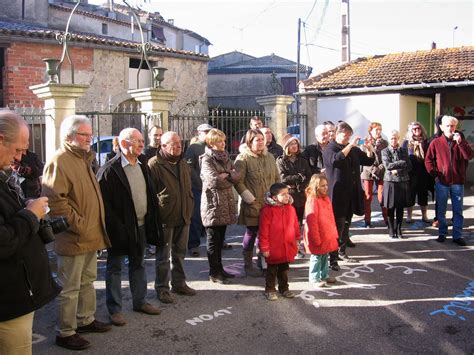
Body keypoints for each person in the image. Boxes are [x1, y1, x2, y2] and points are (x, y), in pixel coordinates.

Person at [42, 115, 112, 351]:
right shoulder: (60, 160)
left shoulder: (83, 158)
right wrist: (80, 225)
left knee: (88, 282)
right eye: (84, 134)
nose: (89, 138)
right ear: (69, 136)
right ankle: (66, 332)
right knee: (69, 288)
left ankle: (85, 320)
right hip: (74, 237)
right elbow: (55, 203)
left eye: (90, 134)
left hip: (90, 235)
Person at [0, 111, 61, 355]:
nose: (18, 158)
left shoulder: (4, 175)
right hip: (8, 301)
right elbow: (3, 241)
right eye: (16, 150)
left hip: (17, 296)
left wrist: (27, 210)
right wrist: (31, 214)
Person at [97, 128, 163, 327]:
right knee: (115, 267)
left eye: (143, 140)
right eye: (138, 141)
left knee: (138, 263)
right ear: (125, 143)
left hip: (141, 225)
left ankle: (140, 301)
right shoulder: (110, 169)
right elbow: (104, 205)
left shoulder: (142, 164)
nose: (142, 144)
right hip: (120, 229)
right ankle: (115, 310)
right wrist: (116, 227)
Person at [148, 131, 197, 304]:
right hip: (165, 217)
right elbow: (150, 195)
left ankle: (179, 283)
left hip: (183, 214)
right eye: (173, 144)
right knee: (163, 256)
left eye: (179, 143)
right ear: (163, 146)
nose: (178, 147)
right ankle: (162, 288)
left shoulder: (183, 163)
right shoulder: (154, 164)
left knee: (180, 253)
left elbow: (187, 187)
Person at [323, 121, 375, 271]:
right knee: (337, 227)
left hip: (352, 192)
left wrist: (369, 149)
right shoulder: (329, 148)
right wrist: (350, 145)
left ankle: (342, 251)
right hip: (338, 194)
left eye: (349, 136)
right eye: (345, 135)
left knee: (346, 224)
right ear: (337, 134)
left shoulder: (352, 149)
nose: (347, 138)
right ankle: (332, 258)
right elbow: (336, 160)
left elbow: (368, 160)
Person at [234, 129, 280, 277]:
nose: (261, 142)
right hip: (253, 204)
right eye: (257, 140)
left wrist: (278, 196)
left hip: (270, 203)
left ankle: (264, 263)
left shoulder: (270, 157)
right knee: (252, 233)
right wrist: (250, 199)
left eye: (262, 139)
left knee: (266, 234)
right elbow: (238, 182)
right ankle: (248, 264)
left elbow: (277, 178)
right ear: (250, 142)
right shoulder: (243, 158)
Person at [425, 115, 473, 246]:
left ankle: (457, 235)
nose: (450, 128)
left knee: (458, 210)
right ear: (441, 127)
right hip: (442, 181)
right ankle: (442, 233)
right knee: (441, 209)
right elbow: (428, 160)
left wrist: (461, 143)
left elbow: (469, 155)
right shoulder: (436, 142)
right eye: (447, 126)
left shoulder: (460, 141)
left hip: (457, 181)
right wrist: (435, 175)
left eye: (452, 126)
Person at [200, 129, 240, 284]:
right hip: (213, 204)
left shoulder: (226, 157)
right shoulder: (207, 159)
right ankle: (214, 272)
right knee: (213, 241)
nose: (223, 143)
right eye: (219, 141)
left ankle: (220, 269)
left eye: (223, 140)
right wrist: (227, 175)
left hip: (225, 203)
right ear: (211, 143)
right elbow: (213, 181)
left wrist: (227, 175)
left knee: (220, 240)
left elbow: (237, 175)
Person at [258, 183, 300, 301]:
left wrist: (297, 239)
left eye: (287, 193)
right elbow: (263, 231)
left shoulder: (291, 209)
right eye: (283, 194)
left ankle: (284, 288)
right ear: (275, 197)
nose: (287, 196)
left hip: (287, 246)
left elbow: (296, 226)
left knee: (284, 270)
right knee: (271, 270)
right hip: (273, 247)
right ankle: (270, 289)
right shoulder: (267, 211)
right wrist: (264, 248)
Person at [304, 174, 339, 287]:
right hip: (318, 234)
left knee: (324, 255)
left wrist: (333, 233)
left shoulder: (326, 199)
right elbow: (312, 221)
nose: (326, 188)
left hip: (326, 233)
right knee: (317, 257)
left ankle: (324, 275)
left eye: (326, 185)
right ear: (316, 187)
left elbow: (331, 217)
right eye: (322, 186)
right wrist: (315, 237)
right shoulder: (312, 200)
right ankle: (314, 278)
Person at [184, 123, 213, 257]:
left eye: (210, 131)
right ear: (199, 133)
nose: (208, 134)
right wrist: (200, 182)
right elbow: (189, 168)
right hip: (197, 188)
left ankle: (215, 241)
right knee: (195, 217)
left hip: (212, 187)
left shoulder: (212, 146)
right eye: (205, 132)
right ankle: (193, 244)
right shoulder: (193, 148)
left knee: (213, 216)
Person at [381, 130, 412, 239]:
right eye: (392, 138)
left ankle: (399, 229)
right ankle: (391, 229)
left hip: (402, 181)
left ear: (398, 138)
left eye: (395, 138)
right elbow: (388, 165)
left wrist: (397, 170)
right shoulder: (385, 151)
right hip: (390, 182)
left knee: (400, 207)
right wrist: (401, 163)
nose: (394, 140)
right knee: (390, 207)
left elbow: (408, 166)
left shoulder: (403, 150)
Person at [402, 122, 433, 223]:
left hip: (423, 173)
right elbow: (403, 157)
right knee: (410, 195)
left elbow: (430, 156)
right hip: (410, 173)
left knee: (423, 195)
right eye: (414, 129)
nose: (417, 130)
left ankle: (424, 216)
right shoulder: (406, 143)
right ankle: (409, 216)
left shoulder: (426, 141)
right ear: (411, 131)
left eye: (418, 128)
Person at [360, 122, 388, 228]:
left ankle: (387, 219)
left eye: (380, 129)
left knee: (382, 197)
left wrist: (379, 169)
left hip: (381, 172)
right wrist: (373, 169)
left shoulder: (385, 143)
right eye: (376, 129)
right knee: (368, 197)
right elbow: (364, 159)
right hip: (368, 172)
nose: (379, 132)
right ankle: (367, 220)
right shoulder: (365, 142)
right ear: (370, 131)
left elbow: (386, 159)